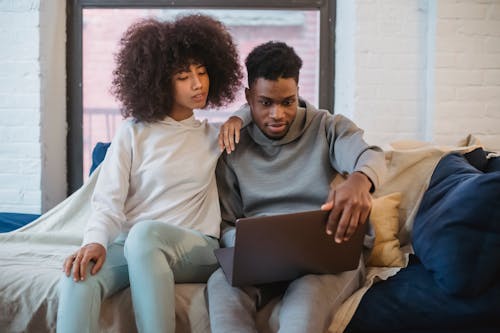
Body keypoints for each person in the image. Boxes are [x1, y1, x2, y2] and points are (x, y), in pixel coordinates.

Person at [57, 15, 248, 333]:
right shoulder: (131, 133)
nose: (198, 84)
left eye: (202, 73)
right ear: (159, 80)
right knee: (80, 275)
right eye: (184, 76)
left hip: (196, 247)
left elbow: (273, 110)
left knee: (144, 236)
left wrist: (239, 117)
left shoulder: (215, 136)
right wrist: (95, 242)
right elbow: (108, 200)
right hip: (134, 244)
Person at [207, 41, 387, 333]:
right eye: (266, 103)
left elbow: (372, 156)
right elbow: (227, 224)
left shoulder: (326, 126)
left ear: (298, 93)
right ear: (249, 98)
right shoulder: (233, 144)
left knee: (303, 310)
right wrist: (250, 249)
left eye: (287, 102)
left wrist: (359, 181)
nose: (278, 114)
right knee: (220, 284)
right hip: (260, 260)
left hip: (325, 258)